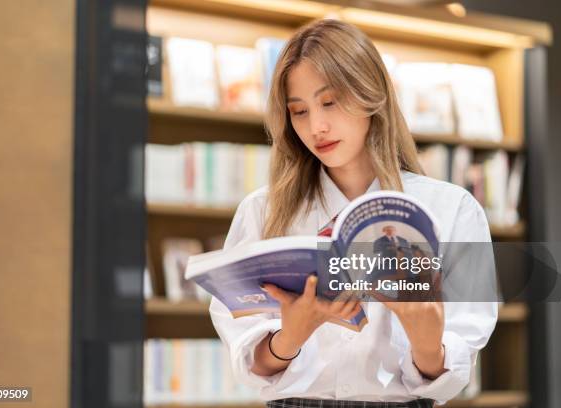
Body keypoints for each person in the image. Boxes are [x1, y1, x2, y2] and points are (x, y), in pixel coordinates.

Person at [209, 18, 497, 408]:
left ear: (371, 94)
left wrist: (424, 336)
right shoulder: (263, 211)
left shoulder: (451, 209)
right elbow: (249, 360)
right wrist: (291, 336)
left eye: (329, 102)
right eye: (299, 111)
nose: (317, 126)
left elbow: (452, 370)